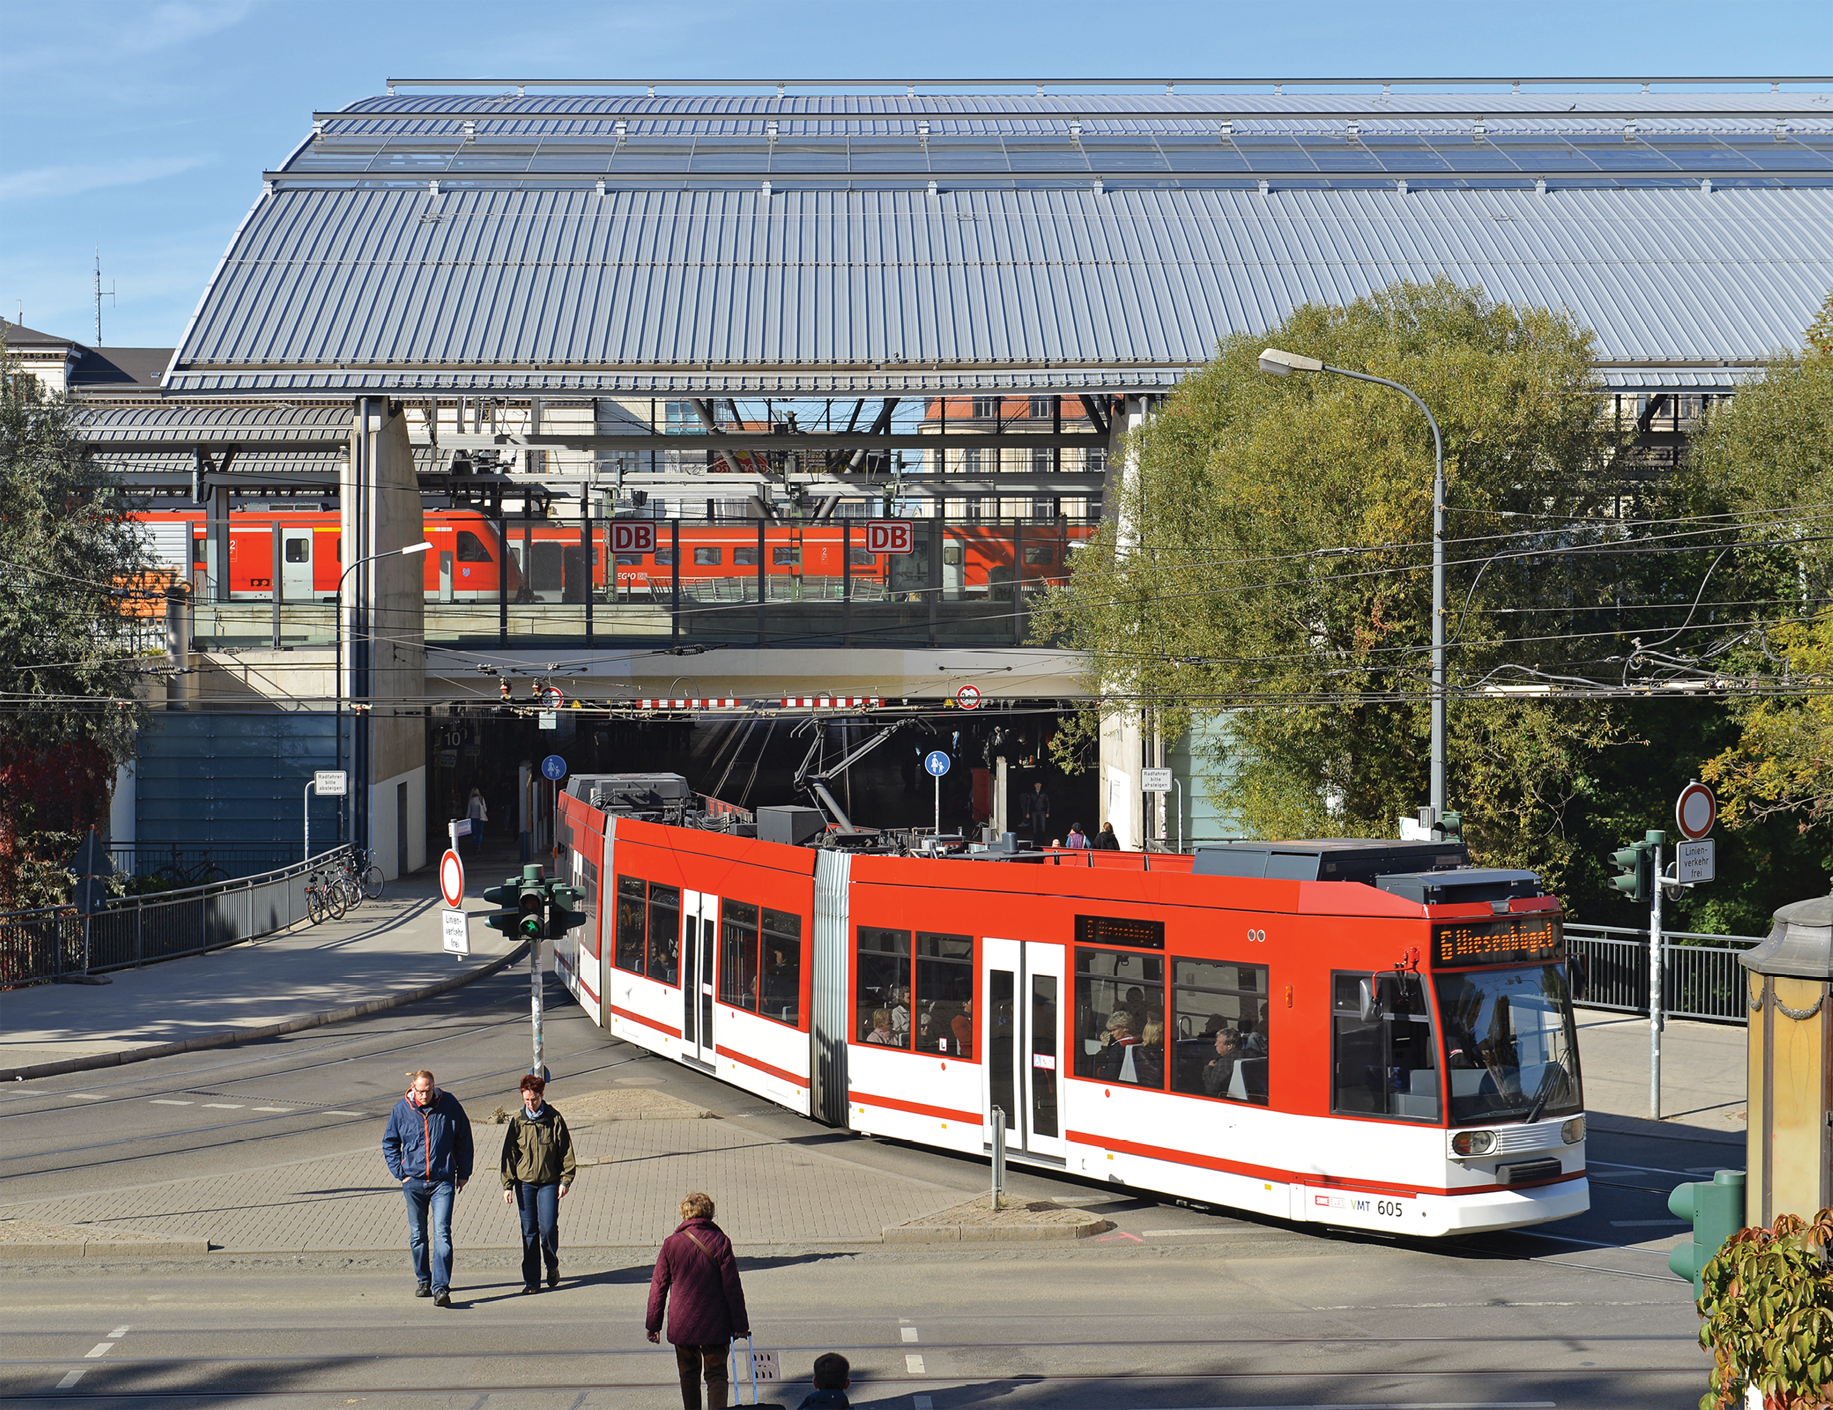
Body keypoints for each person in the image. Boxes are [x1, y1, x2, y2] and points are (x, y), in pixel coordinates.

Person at [647, 1191, 751, 1410]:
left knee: (688, 1374)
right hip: (717, 1324)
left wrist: (653, 1325)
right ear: (709, 1214)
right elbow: (733, 1287)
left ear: (684, 1214)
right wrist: (740, 1325)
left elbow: (658, 1286)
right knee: (717, 1375)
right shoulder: (721, 1241)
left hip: (683, 1324)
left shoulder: (671, 1243)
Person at [382, 1068, 473, 1307]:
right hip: (413, 1182)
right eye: (420, 1091)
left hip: (443, 1180)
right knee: (418, 1235)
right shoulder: (401, 1110)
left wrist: (463, 1172)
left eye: (428, 1090)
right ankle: (424, 1280)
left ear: (434, 1086)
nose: (424, 1096)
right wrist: (400, 1173)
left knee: (442, 1233)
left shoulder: (449, 1104)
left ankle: (440, 1287)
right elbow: (390, 1142)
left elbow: (464, 1137)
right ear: (412, 1088)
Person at [500, 1074, 576, 1294]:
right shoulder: (518, 1121)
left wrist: (566, 1179)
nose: (530, 1104)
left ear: (542, 1096)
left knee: (548, 1228)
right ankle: (531, 1280)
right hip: (524, 1184)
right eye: (526, 1100)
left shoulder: (554, 1119)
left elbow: (566, 1152)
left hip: (549, 1183)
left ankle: (551, 1265)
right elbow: (509, 1154)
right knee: (529, 1232)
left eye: (533, 1100)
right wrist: (507, 1185)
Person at [1096, 1011, 1141, 1083]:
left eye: (1114, 1030)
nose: (1111, 1033)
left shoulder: (1118, 1048)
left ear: (1125, 1028)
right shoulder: (1139, 1041)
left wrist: (1099, 1070)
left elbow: (1110, 1074)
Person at [1202, 1029, 1243, 1098]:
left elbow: (1211, 1089)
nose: (1215, 1044)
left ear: (1229, 1046)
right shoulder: (1252, 1054)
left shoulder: (1224, 1063)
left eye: (1219, 1042)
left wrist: (1209, 1068)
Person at [467, 786, 488, 853]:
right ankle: (479, 844)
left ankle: (475, 847)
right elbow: (485, 809)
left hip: (473, 818)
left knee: (475, 834)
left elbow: (468, 811)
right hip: (480, 818)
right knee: (480, 833)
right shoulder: (481, 799)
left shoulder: (471, 800)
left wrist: (467, 819)